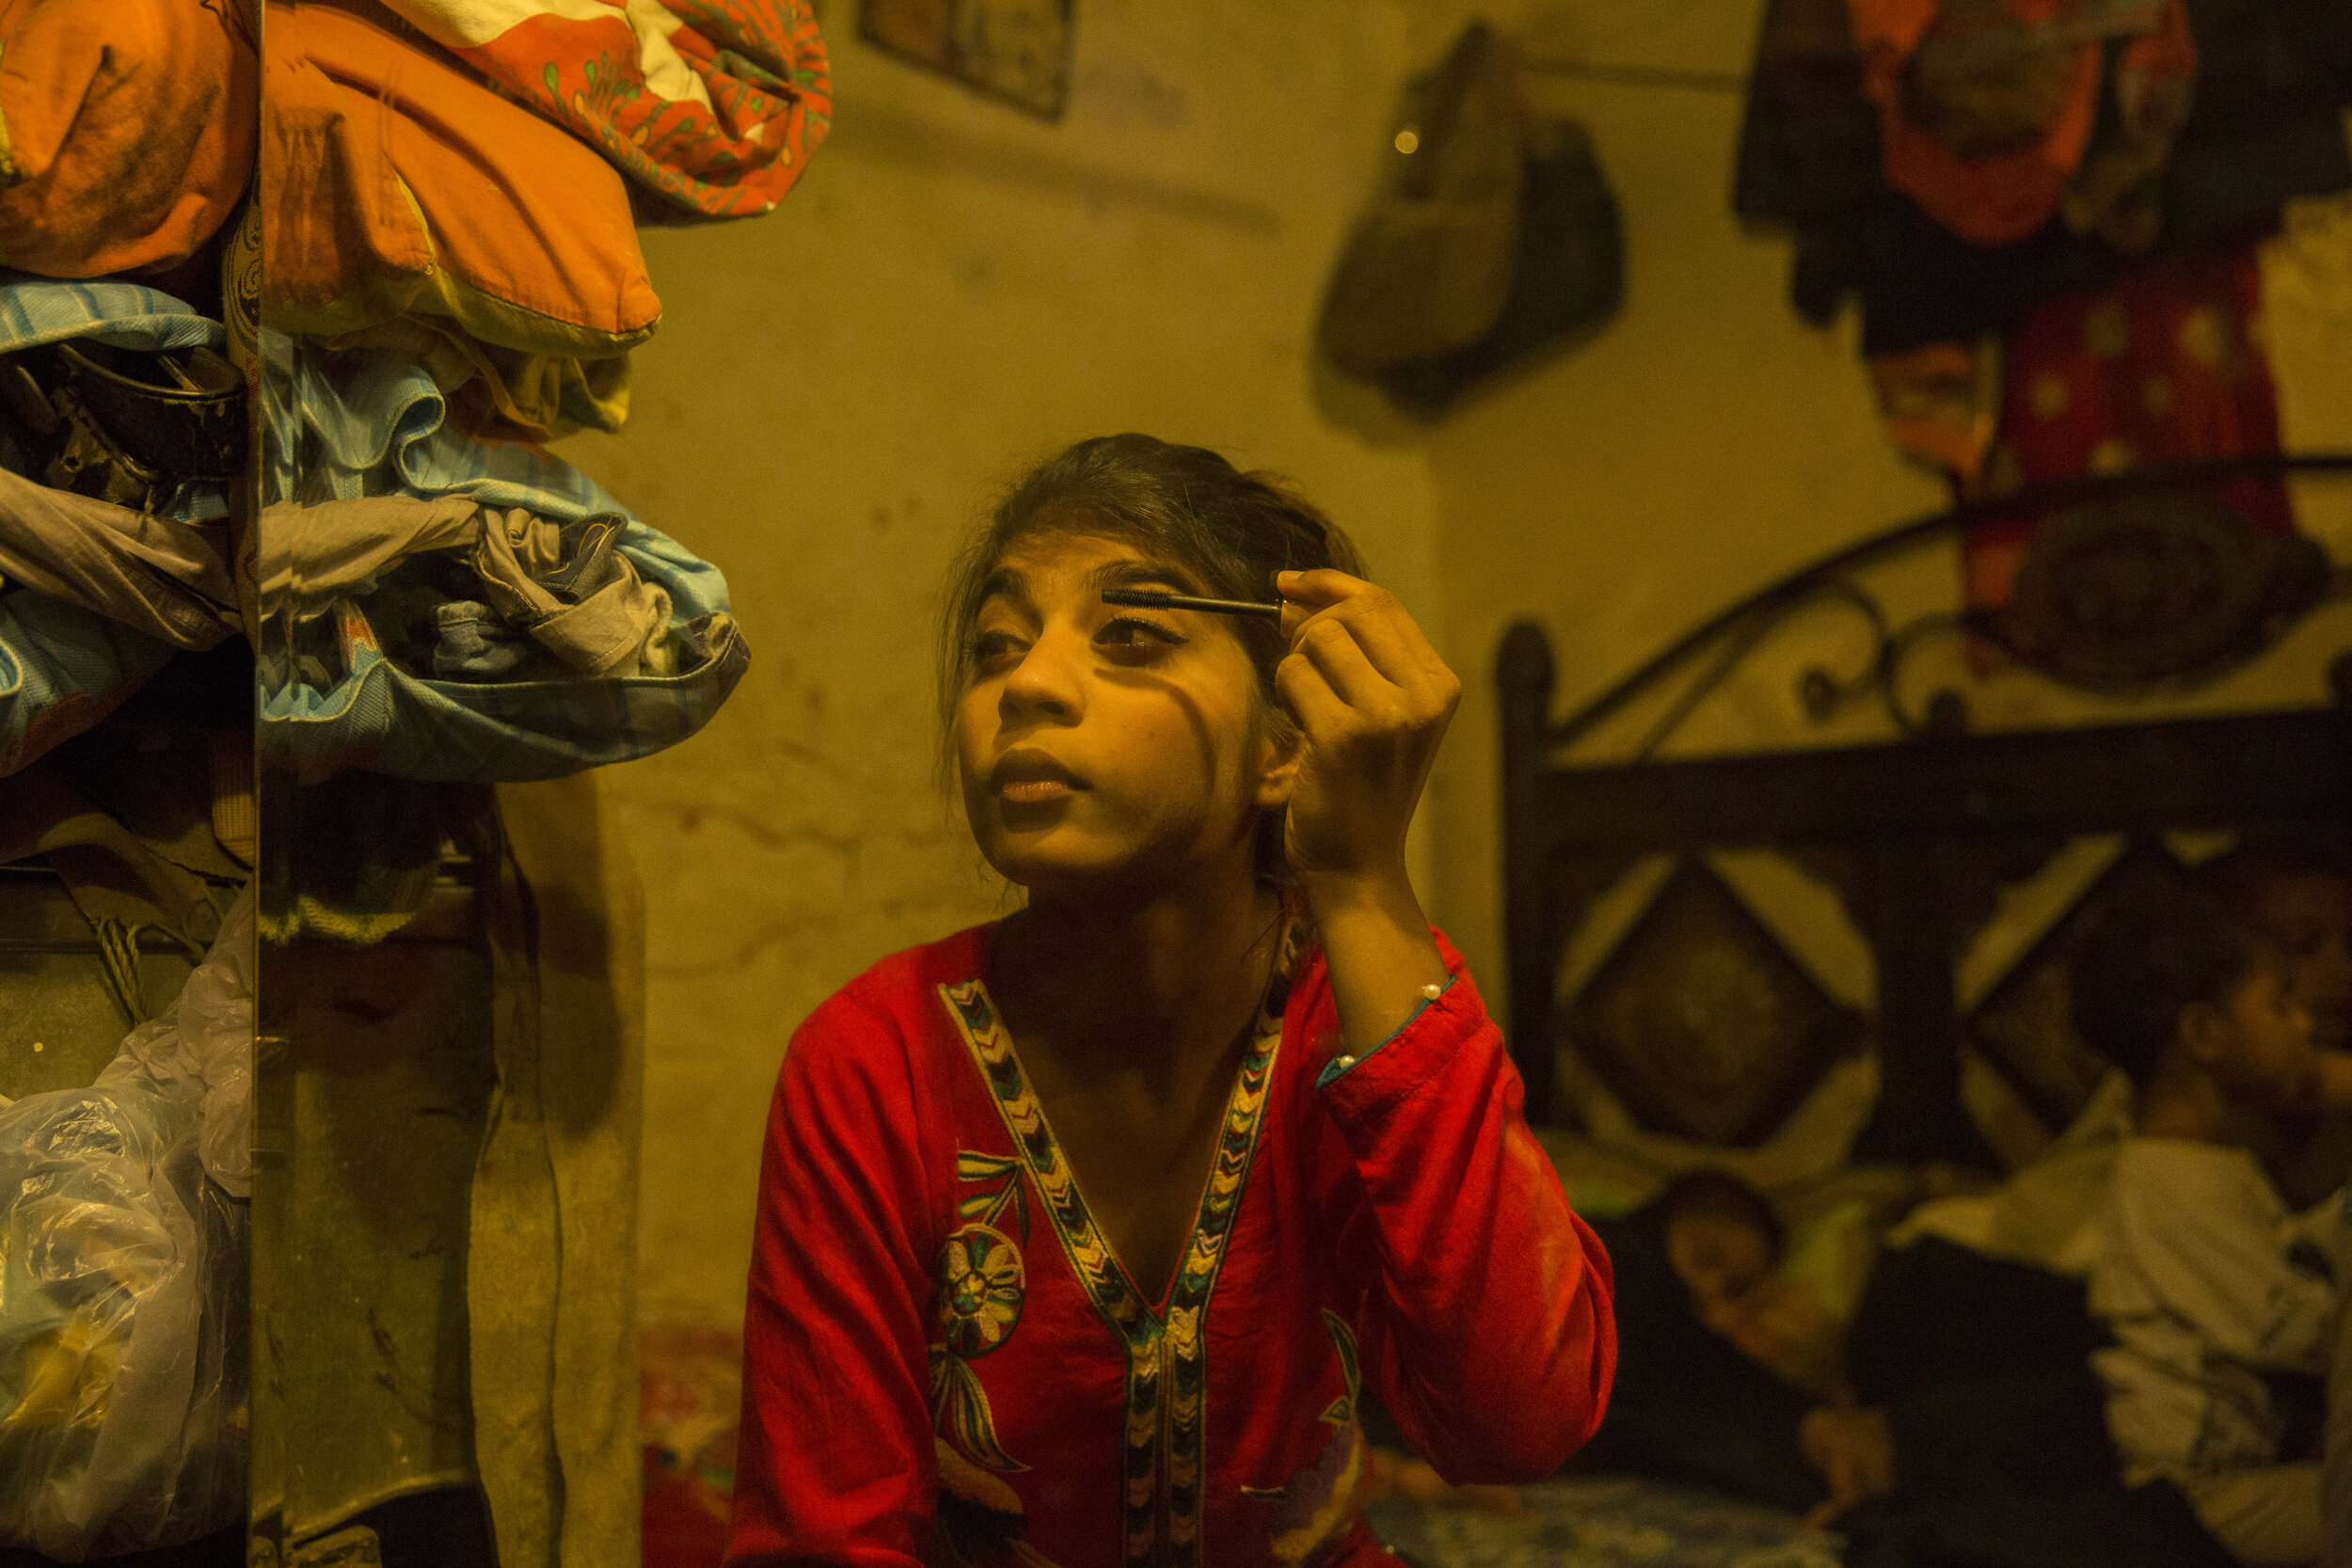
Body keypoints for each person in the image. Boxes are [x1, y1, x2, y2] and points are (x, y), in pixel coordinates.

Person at [726, 436, 1616, 1568]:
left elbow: (1515, 1423)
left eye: (1130, 637)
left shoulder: (1356, 1016)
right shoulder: (875, 1058)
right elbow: (826, 1540)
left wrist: (1363, 878)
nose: (1027, 685)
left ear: (1285, 740)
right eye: (996, 646)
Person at [2073, 883, 2350, 1567]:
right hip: (2197, 1497)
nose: (2305, 1024)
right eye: (2279, 1003)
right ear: (2204, 1034)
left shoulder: (2213, 1164)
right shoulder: (2165, 1179)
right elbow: (2298, 1331)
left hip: (2244, 1474)